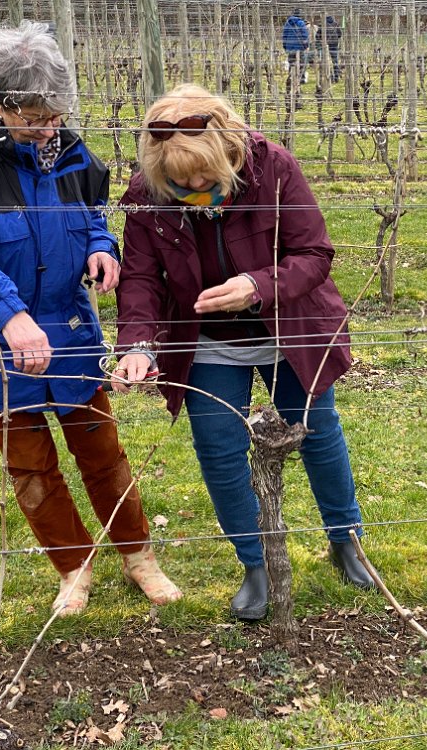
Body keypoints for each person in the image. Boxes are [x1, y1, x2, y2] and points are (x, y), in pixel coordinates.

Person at [0, 21, 181, 616]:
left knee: (102, 451)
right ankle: (72, 566)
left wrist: (101, 246)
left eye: (56, 115)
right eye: (35, 117)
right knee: (30, 466)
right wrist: (8, 314)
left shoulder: (68, 150)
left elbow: (90, 213)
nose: (48, 129)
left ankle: (139, 555)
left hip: (67, 333)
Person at [113, 84, 374, 622]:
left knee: (317, 431)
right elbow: (139, 277)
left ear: (228, 150)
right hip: (206, 339)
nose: (195, 189)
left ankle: (346, 540)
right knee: (218, 449)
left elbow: (315, 252)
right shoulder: (146, 194)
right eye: (181, 183)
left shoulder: (274, 168)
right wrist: (138, 344)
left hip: (287, 325)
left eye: (205, 177)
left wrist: (257, 285)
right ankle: (255, 564)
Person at [281, 8, 310, 83]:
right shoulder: (301, 23)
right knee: (301, 62)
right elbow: (305, 35)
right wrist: (306, 45)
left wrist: (285, 46)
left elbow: (284, 36)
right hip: (299, 47)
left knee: (291, 62)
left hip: (290, 47)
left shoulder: (288, 23)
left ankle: (291, 77)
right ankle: (301, 78)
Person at [316, 15, 342, 83]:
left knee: (325, 61)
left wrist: (321, 40)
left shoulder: (323, 25)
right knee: (335, 61)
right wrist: (335, 38)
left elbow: (317, 36)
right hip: (335, 44)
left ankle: (328, 76)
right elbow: (340, 34)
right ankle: (336, 77)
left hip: (325, 45)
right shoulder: (336, 24)